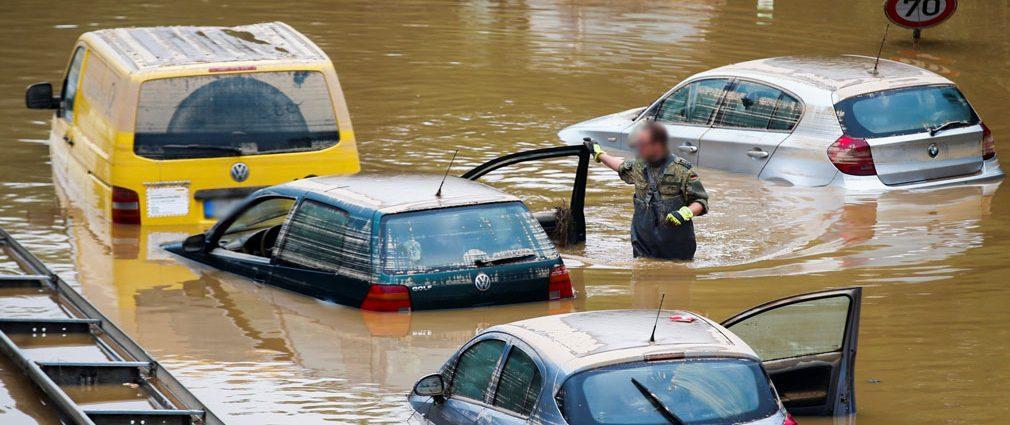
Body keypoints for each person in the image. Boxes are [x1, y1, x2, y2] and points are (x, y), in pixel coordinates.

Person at [584, 121, 709, 260]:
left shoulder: (682, 170)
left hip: (676, 246)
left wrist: (685, 213)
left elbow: (701, 201)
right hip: (643, 244)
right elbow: (620, 166)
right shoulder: (638, 165)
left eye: (643, 145)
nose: (639, 149)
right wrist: (599, 153)